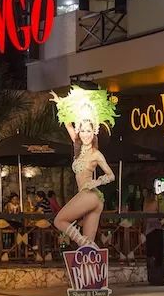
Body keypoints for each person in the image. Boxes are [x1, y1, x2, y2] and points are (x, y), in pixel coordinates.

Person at [49, 87, 117, 248]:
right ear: (79, 131)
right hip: (90, 199)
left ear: (94, 132)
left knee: (59, 220)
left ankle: (83, 243)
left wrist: (97, 182)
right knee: (87, 246)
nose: (86, 134)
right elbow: (68, 124)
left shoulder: (96, 154)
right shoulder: (77, 146)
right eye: (83, 130)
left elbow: (111, 175)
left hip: (91, 195)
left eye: (89, 131)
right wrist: (60, 104)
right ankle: (91, 263)